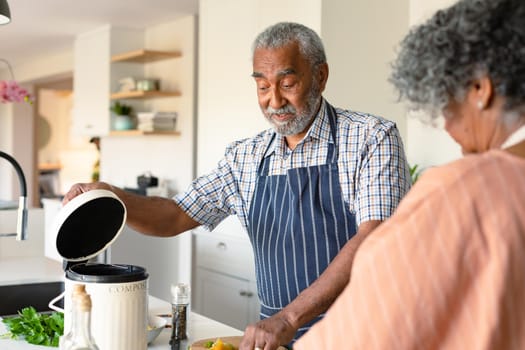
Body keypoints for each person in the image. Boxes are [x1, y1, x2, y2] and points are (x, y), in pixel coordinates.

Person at [63, 22, 411, 349]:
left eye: (287, 84)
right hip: (274, 338)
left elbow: (373, 239)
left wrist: (288, 317)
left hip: (362, 330)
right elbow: (174, 215)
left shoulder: (371, 138)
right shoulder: (246, 157)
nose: (274, 101)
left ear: (320, 75)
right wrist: (109, 194)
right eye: (262, 86)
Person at [294, 0, 525, 348]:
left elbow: (361, 334)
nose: (448, 128)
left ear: (480, 88)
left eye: (446, 104)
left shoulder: (464, 189)